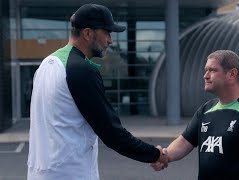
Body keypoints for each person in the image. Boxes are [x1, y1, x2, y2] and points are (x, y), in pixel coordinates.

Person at [27, 4, 168, 180]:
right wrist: (155, 154)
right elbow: (112, 133)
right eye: (107, 33)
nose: (110, 40)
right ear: (88, 33)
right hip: (71, 174)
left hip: (40, 173)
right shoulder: (81, 70)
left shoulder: (46, 64)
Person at [151, 50, 239, 180]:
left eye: (212, 70)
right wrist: (164, 155)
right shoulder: (206, 110)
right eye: (206, 70)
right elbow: (184, 142)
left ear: (232, 74)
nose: (206, 75)